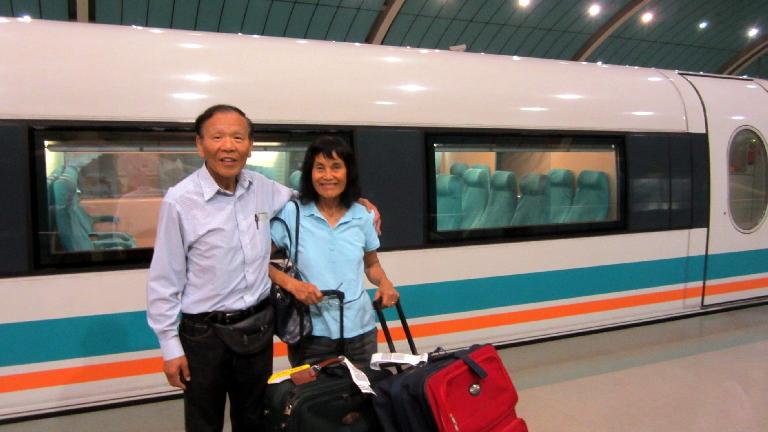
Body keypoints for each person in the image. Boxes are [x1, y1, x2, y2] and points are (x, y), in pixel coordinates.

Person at [146, 105, 380, 431]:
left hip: (257, 330)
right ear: (200, 145)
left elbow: (312, 196)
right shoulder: (180, 201)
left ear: (250, 145)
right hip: (204, 336)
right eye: (217, 137)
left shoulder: (262, 188)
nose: (228, 146)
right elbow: (164, 280)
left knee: (255, 417)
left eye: (238, 137)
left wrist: (357, 203)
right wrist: (170, 347)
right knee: (204, 421)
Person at [269, 136, 399, 367]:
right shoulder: (292, 213)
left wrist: (385, 283)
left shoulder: (363, 216)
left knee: (363, 396)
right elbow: (257, 261)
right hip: (311, 332)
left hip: (361, 330)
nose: (328, 176)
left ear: (348, 173)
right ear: (310, 173)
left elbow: (371, 265)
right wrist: (293, 285)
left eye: (336, 167)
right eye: (320, 168)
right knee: (315, 399)